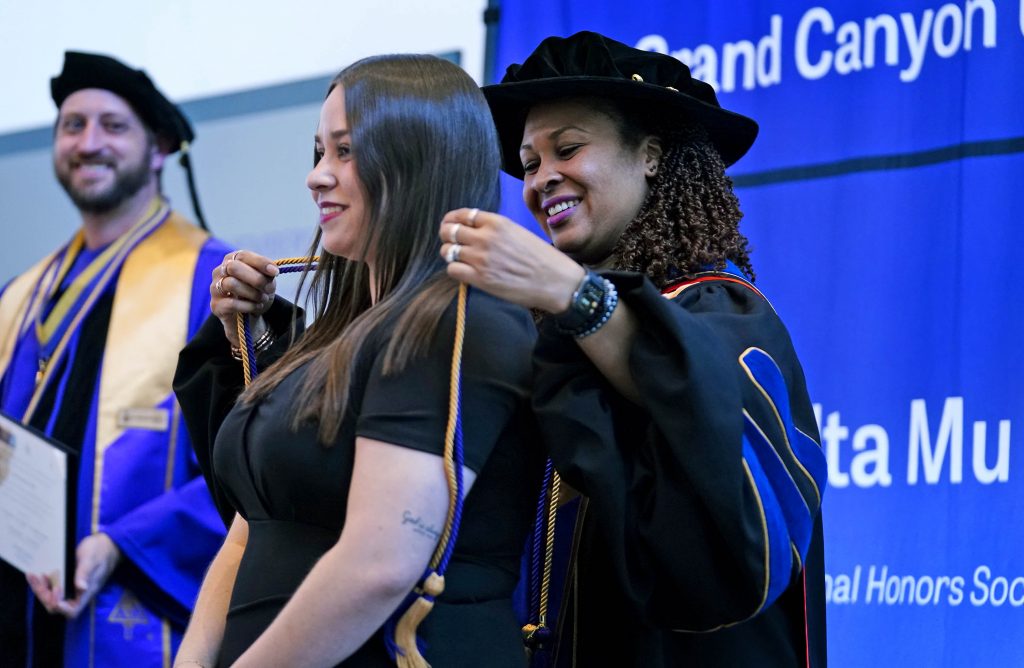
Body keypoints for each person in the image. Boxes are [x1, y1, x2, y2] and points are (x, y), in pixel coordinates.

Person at [438, 31, 828, 667]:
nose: (542, 179)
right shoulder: (547, 332)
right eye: (529, 163)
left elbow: (730, 532)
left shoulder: (723, 314)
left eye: (568, 148)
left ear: (649, 156)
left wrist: (574, 295)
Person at [171, 54, 543, 667]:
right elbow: (253, 527)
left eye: (345, 152)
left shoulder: (460, 319)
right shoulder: (330, 338)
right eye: (320, 151)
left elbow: (380, 563)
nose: (317, 176)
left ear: (420, 160)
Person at [0, 52, 229, 666]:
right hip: (16, 614)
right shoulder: (20, 295)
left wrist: (125, 543)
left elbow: (251, 468)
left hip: (137, 613)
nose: (88, 142)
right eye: (72, 126)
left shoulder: (215, 282)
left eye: (113, 126)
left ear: (159, 150)